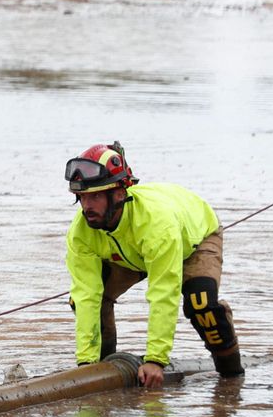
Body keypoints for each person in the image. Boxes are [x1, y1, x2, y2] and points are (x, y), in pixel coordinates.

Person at [63, 142, 243, 390]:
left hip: (194, 239)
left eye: (95, 196)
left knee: (201, 304)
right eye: (82, 197)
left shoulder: (157, 225)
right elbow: (87, 295)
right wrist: (85, 364)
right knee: (82, 301)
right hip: (131, 253)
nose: (86, 207)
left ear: (118, 193)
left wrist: (155, 360)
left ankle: (232, 379)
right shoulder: (81, 232)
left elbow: (163, 293)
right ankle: (101, 372)